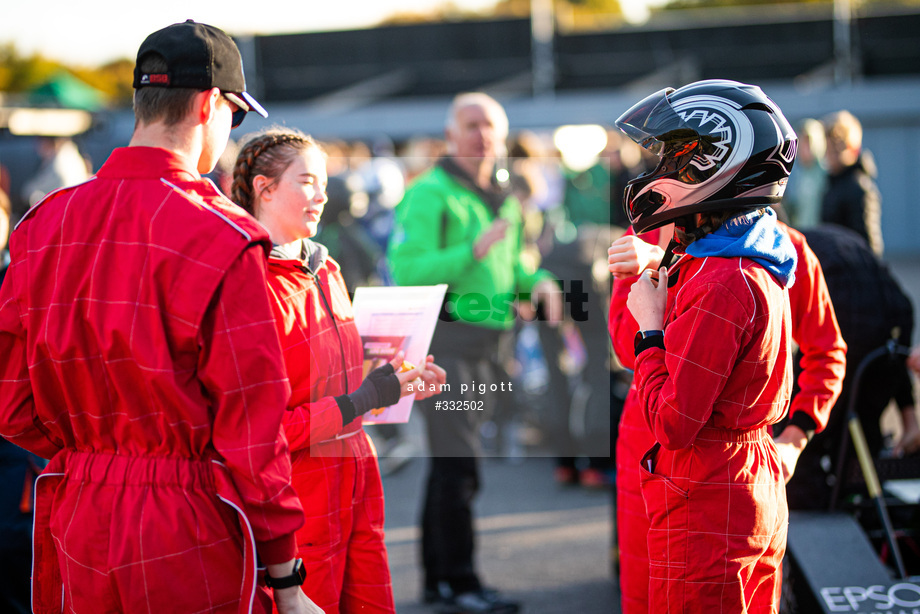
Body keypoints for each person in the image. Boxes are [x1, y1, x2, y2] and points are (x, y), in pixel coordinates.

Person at [0, 21, 320, 614]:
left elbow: (14, 405)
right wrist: (288, 578)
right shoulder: (227, 236)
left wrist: (96, 452)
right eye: (236, 115)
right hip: (188, 516)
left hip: (77, 509)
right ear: (208, 105)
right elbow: (252, 430)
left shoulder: (41, 225)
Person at [230, 126, 447, 614]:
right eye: (308, 181)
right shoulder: (249, 285)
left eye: (325, 181)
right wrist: (364, 399)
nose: (324, 194)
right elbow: (263, 434)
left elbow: (340, 378)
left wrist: (396, 378)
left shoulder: (324, 267)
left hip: (356, 483)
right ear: (265, 188)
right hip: (296, 507)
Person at [615, 79, 799, 612]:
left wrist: (649, 332)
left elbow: (673, 423)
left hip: (711, 492)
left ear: (715, 164)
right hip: (746, 479)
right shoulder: (756, 256)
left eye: (672, 157)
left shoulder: (724, 280)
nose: (656, 172)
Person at [608, 214, 847, 612]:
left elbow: (827, 351)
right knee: (641, 594)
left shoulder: (777, 247)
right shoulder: (643, 231)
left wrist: (795, 438)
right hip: (646, 437)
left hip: (721, 457)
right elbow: (623, 344)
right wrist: (647, 278)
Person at [388, 92, 562, 614]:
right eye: (471, 125)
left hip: (492, 344)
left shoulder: (504, 195)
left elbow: (517, 267)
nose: (482, 134)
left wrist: (542, 282)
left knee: (451, 465)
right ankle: (460, 582)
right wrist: (473, 249)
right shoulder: (429, 194)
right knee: (460, 464)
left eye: (490, 126)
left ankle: (441, 581)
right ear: (450, 135)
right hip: (445, 345)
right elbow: (407, 269)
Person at [783, 224, 918, 509]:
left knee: (805, 433)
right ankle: (860, 507)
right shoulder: (834, 238)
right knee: (860, 438)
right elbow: (894, 351)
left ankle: (815, 524)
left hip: (849, 313)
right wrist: (909, 416)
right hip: (895, 314)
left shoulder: (785, 246)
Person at [821, 110, 884, 256]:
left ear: (853, 149)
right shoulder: (833, 184)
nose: (829, 155)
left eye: (836, 150)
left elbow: (869, 245)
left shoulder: (859, 188)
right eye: (828, 149)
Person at [782, 118, 827, 229]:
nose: (803, 149)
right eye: (800, 143)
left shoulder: (827, 174)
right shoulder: (793, 175)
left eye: (807, 143)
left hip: (822, 235)